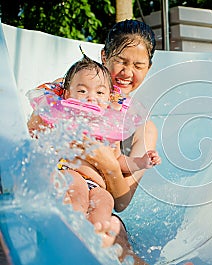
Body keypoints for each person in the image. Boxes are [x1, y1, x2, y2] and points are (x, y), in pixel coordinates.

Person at [27, 19, 160, 261]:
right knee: (70, 212)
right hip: (61, 182)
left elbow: (123, 201)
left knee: (114, 233)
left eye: (138, 65)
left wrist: (104, 160)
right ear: (104, 56)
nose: (127, 73)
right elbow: (32, 131)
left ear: (148, 68)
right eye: (121, 61)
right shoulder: (70, 92)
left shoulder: (142, 126)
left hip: (102, 197)